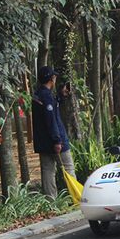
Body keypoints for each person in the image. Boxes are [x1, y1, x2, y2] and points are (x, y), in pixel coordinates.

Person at [31, 66, 75, 198]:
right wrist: (57, 140)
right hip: (56, 141)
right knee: (68, 168)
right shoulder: (47, 97)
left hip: (43, 142)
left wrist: (60, 97)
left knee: (48, 171)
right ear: (51, 79)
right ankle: (76, 197)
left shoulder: (38, 95)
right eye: (54, 77)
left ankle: (51, 201)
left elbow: (49, 109)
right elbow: (51, 120)